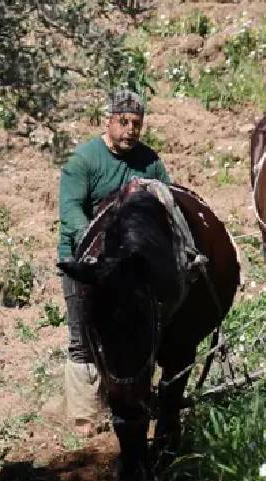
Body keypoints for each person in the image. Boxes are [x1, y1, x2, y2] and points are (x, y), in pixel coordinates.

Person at [58, 90, 171, 436]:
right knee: (84, 337)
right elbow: (70, 210)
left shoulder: (149, 162)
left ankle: (132, 396)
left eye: (137, 123)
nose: (130, 130)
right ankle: (83, 414)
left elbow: (166, 202)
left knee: (137, 334)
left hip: (131, 267)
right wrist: (94, 244)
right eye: (123, 122)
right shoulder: (84, 160)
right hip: (86, 262)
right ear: (107, 121)